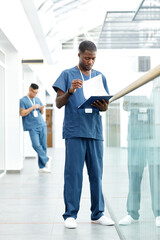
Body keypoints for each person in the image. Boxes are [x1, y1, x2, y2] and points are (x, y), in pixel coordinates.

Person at [52, 40, 114, 229]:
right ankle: (70, 215)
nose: (90, 62)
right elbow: (59, 103)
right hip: (75, 131)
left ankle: (98, 213)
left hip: (94, 131)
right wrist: (70, 91)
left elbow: (104, 106)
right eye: (87, 58)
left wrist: (104, 106)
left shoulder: (99, 76)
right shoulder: (67, 74)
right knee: (73, 174)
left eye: (93, 58)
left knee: (97, 174)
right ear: (79, 55)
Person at [119, 95, 160, 227]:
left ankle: (158, 214)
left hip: (153, 138)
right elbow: (125, 105)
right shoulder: (135, 87)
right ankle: (132, 213)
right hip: (136, 138)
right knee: (134, 176)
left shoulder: (155, 88)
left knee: (156, 178)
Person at [20, 83, 52, 173]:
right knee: (36, 145)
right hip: (32, 127)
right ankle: (46, 158)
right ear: (30, 90)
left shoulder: (37, 99)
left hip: (41, 124)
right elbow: (22, 113)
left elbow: (41, 113)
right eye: (34, 92)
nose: (35, 94)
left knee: (43, 146)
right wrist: (32, 107)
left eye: (37, 92)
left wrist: (42, 109)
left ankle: (42, 167)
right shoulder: (22, 100)